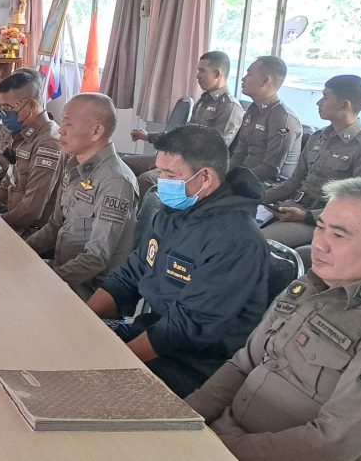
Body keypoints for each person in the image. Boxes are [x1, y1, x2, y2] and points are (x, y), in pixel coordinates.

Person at [187, 177, 361, 461]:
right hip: (221, 435)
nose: (319, 244)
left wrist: (215, 450)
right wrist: (183, 417)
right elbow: (243, 364)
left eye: (339, 236)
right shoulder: (308, 286)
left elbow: (330, 444)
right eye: (320, 228)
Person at [87, 124, 269, 397]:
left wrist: (115, 364)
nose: (161, 181)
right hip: (153, 334)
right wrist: (82, 319)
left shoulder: (236, 240)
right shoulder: (171, 215)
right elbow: (131, 274)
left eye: (170, 174)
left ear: (205, 177)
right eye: (160, 171)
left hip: (192, 363)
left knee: (86, 388)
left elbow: (189, 326)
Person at [26, 93, 138, 300]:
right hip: (61, 272)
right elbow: (54, 226)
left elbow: (96, 258)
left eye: (68, 123)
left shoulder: (115, 181)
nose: (61, 130)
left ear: (96, 131)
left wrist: (48, 280)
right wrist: (21, 251)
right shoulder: (75, 167)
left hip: (87, 289)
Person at [261, 75, 361, 248]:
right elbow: (294, 182)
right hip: (292, 206)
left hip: (321, 221)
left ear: (344, 105)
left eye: (325, 98)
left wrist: (307, 216)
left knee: (258, 241)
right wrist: (258, 197)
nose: (319, 103)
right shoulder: (318, 137)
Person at [126, 51, 245, 193]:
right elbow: (182, 134)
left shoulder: (229, 107)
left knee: (146, 180)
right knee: (123, 165)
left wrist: (176, 163)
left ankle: (147, 208)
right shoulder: (203, 101)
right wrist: (149, 136)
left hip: (193, 167)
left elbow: (215, 150)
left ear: (217, 74)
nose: (197, 76)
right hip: (176, 157)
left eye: (202, 71)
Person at [0, 70, 63, 236]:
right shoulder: (21, 133)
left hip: (30, 231)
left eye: (8, 108)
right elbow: (8, 182)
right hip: (11, 218)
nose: (4, 115)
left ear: (31, 105)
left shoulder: (48, 143)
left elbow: (31, 210)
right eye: (1, 108)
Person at [229, 56, 303, 186]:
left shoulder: (282, 118)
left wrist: (234, 181)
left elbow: (270, 169)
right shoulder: (252, 111)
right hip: (244, 179)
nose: (243, 78)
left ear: (265, 80)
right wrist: (222, 176)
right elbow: (239, 154)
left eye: (249, 74)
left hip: (267, 185)